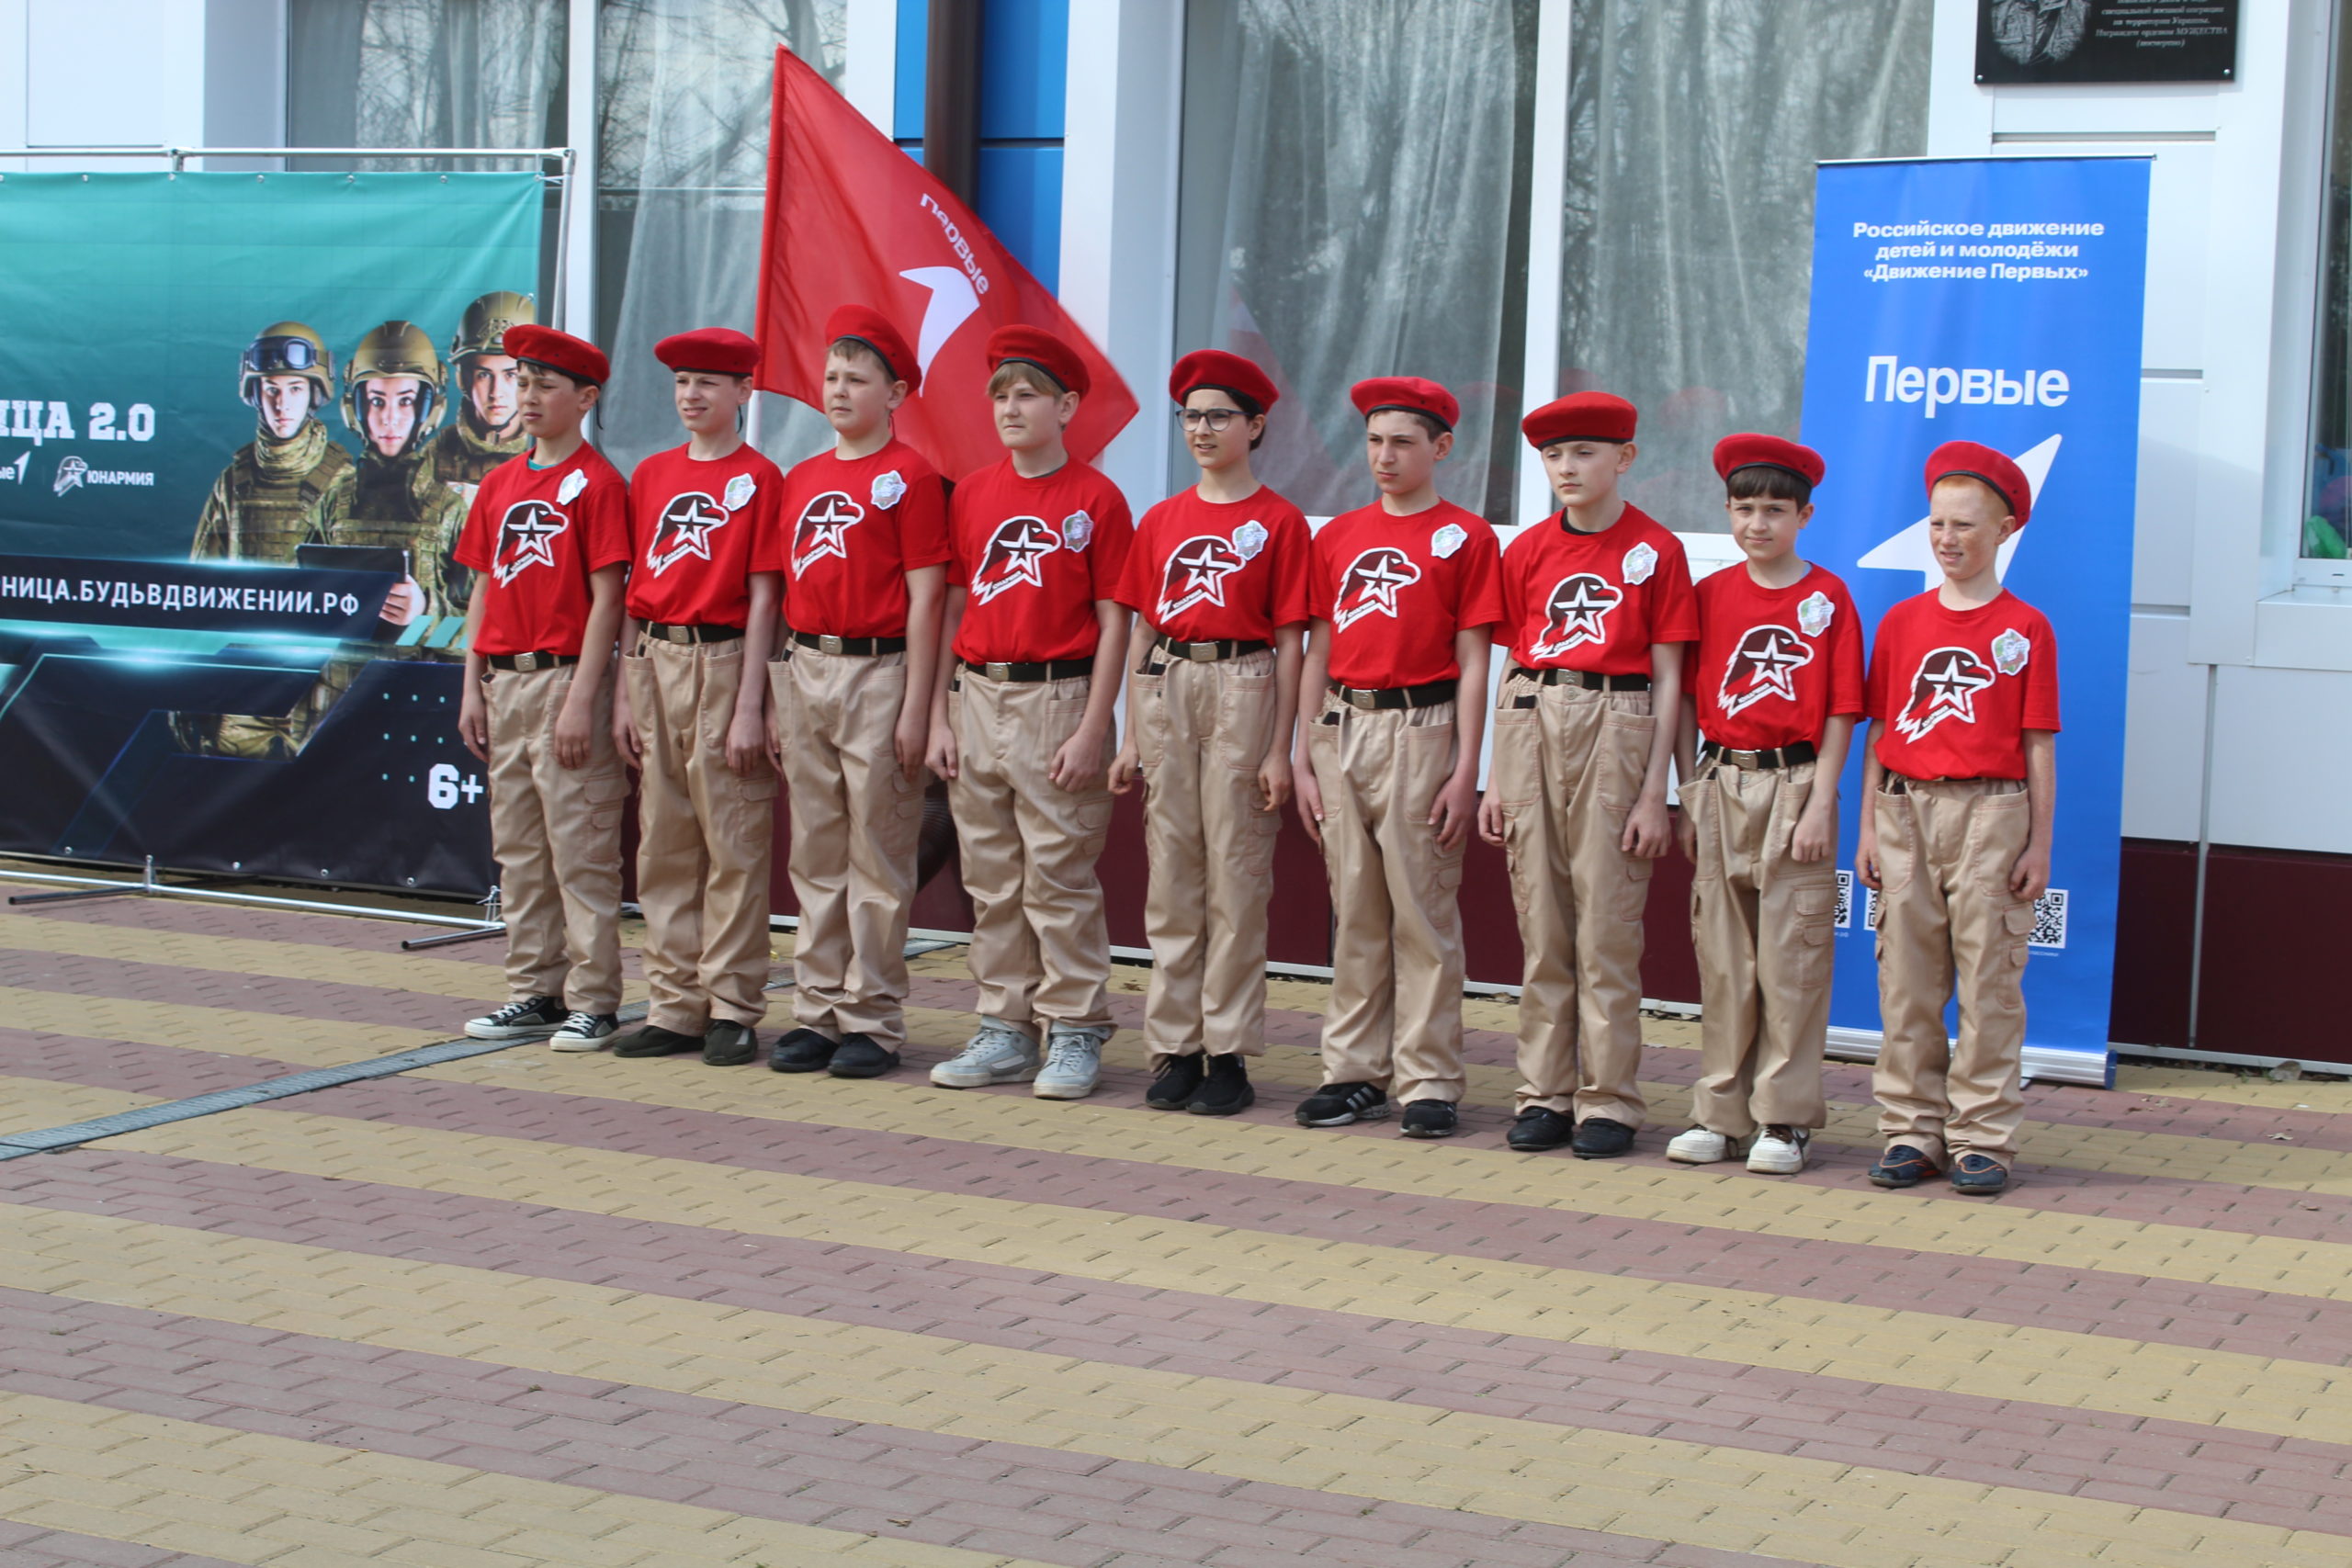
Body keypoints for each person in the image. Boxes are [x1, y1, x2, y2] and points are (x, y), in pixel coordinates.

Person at [1476, 392, 1694, 1160]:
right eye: (1553, 455)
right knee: (1542, 926)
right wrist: (1497, 776)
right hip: (1534, 718)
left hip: (1617, 721)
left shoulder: (1656, 550)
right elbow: (1513, 660)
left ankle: (1608, 1097)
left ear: (1624, 458)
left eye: (1584, 452)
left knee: (1606, 926)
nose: (1566, 468)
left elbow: (1671, 677)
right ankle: (1544, 1092)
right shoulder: (1528, 549)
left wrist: (1658, 791)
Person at [923, 325, 1133, 1100]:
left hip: (1059, 697)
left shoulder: (1096, 498)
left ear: (1066, 406)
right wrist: (941, 713)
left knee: (1058, 873)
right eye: (1001, 396)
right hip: (979, 693)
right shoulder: (975, 492)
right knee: (991, 875)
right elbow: (952, 609)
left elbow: (1115, 621)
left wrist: (1093, 727)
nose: (1010, 409)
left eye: (1028, 395)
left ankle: (1074, 1026)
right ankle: (1005, 1026)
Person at [1293, 377, 1500, 1138]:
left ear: (1441, 448)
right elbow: (1319, 648)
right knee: (1355, 909)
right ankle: (1353, 1071)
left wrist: (1467, 768)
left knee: (1421, 912)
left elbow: (1474, 660)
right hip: (1343, 724)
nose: (1385, 456)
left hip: (1422, 726)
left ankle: (1429, 1078)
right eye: (1375, 440)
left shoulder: (1467, 538)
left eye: (1403, 442)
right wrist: (1303, 753)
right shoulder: (1338, 535)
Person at [1109, 350, 1310, 1117]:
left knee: (1235, 873)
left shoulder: (1279, 521)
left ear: (1254, 426)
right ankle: (1175, 1045)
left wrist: (1280, 748)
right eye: (1191, 417)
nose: (1201, 429)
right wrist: (1132, 735)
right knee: (1172, 874)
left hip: (1242, 682)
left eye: (1219, 416)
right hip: (1168, 681)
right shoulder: (1162, 519)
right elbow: (1139, 628)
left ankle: (1227, 1050)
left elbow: (1291, 641)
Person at [1856, 441, 2058, 1197]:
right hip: (1905, 808)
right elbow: (1881, 730)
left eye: (1965, 524)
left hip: (1992, 811)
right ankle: (1912, 1129)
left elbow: (2038, 743)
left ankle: (1982, 1136)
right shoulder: (1902, 620)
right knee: (1906, 981)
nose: (1947, 538)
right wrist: (1868, 827)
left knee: (1990, 982)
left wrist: (2038, 842)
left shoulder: (2025, 627)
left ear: (2004, 530)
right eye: (1937, 522)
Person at [760, 305, 950, 1081]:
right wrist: (776, 690)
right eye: (832, 376)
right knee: (816, 849)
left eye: (858, 379)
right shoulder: (803, 478)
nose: (839, 390)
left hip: (880, 668)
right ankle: (816, 1008)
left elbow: (928, 597)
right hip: (808, 663)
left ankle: (870, 1015)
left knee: (878, 849)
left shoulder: (911, 477)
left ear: (895, 393)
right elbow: (786, 591)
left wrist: (917, 705)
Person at [1667, 434, 1861, 1175]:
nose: (1758, 523)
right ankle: (1719, 1113)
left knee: (1792, 959)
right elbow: (1687, 700)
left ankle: (1784, 1118)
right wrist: (1689, 791)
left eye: (1776, 510)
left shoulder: (1827, 598)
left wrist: (1820, 803)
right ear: (1726, 511)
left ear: (1804, 516)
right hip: (1722, 779)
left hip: (1794, 783)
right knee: (1723, 959)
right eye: (1745, 508)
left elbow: (1842, 709)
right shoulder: (1710, 594)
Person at [453, 324, 632, 1053]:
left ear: (585, 399)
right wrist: (471, 684)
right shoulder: (498, 484)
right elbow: (482, 588)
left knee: (581, 847)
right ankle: (534, 988)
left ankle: (595, 998)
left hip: (564, 676)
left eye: (545, 386)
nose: (527, 397)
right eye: (522, 383)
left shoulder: (599, 484)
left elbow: (608, 598)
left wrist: (583, 696)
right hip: (505, 679)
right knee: (519, 848)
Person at [607, 327, 782, 1068]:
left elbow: (766, 594)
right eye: (682, 381)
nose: (692, 395)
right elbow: (632, 590)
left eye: (709, 381)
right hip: (656, 658)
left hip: (725, 656)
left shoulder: (762, 478)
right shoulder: (652, 474)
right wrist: (625, 689)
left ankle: (732, 1006)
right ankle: (674, 1004)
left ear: (743, 390)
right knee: (664, 842)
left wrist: (751, 703)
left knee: (734, 842)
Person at [313, 320, 467, 630]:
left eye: (406, 401)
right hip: (342, 663)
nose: (389, 418)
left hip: (417, 663)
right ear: (356, 407)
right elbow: (298, 601)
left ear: (427, 408)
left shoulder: (450, 510)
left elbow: (480, 627)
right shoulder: (333, 503)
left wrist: (425, 610)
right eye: (376, 401)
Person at [191, 321, 350, 563]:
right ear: (256, 395)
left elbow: (356, 578)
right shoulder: (232, 481)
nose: (281, 404)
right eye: (271, 389)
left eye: (295, 389)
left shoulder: (341, 481)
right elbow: (201, 576)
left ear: (314, 394)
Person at [430, 291, 536, 499]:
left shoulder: (551, 450)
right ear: (463, 379)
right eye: (484, 375)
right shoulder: (438, 453)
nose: (496, 393)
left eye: (511, 375)